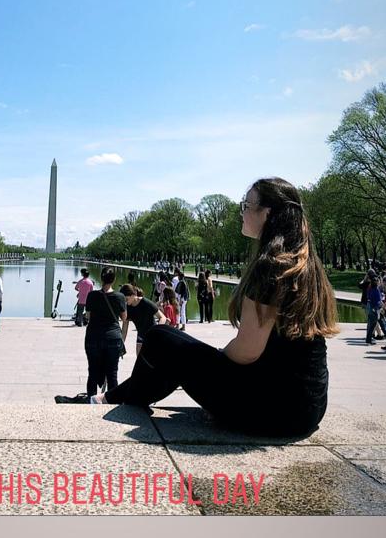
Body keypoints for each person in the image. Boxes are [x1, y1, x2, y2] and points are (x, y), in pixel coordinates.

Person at [78, 178, 339, 437]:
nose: (241, 212)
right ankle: (109, 398)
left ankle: (109, 399)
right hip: (307, 407)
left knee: (159, 338)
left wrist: (211, 360)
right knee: (177, 350)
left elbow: (248, 351)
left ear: (267, 214)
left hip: (273, 409)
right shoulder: (307, 266)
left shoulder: (271, 265)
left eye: (246, 205)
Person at [55, 266, 126, 403]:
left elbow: (88, 316)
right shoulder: (120, 297)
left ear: (101, 278)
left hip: (94, 337)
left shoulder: (92, 295)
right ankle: (112, 403)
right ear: (114, 280)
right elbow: (124, 318)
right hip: (113, 338)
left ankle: (91, 401)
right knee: (112, 374)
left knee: (92, 372)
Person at [120, 284, 166, 355]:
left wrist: (156, 331)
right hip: (140, 335)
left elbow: (162, 317)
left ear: (133, 295)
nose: (125, 302)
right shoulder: (127, 308)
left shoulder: (146, 303)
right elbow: (124, 329)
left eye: (126, 299)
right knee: (139, 359)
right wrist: (121, 344)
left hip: (152, 336)